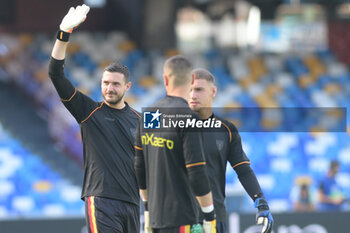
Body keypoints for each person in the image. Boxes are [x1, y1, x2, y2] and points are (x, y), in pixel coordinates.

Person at [48, 5, 141, 233]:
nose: (109, 88)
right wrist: (63, 34)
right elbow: (55, 74)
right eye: (105, 83)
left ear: (127, 86)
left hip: (132, 203)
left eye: (115, 84)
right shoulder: (88, 111)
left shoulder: (140, 121)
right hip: (101, 201)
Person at [134, 55, 217, 233]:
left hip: (156, 219)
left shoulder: (149, 114)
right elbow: (196, 171)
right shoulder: (189, 117)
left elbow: (140, 168)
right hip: (184, 219)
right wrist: (210, 216)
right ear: (192, 79)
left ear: (165, 79)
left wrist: (148, 210)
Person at [188, 68, 273, 233]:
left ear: (213, 91)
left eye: (198, 89)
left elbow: (243, 170)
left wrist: (261, 202)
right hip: (182, 219)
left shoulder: (226, 130)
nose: (193, 94)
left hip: (215, 219)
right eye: (189, 89)